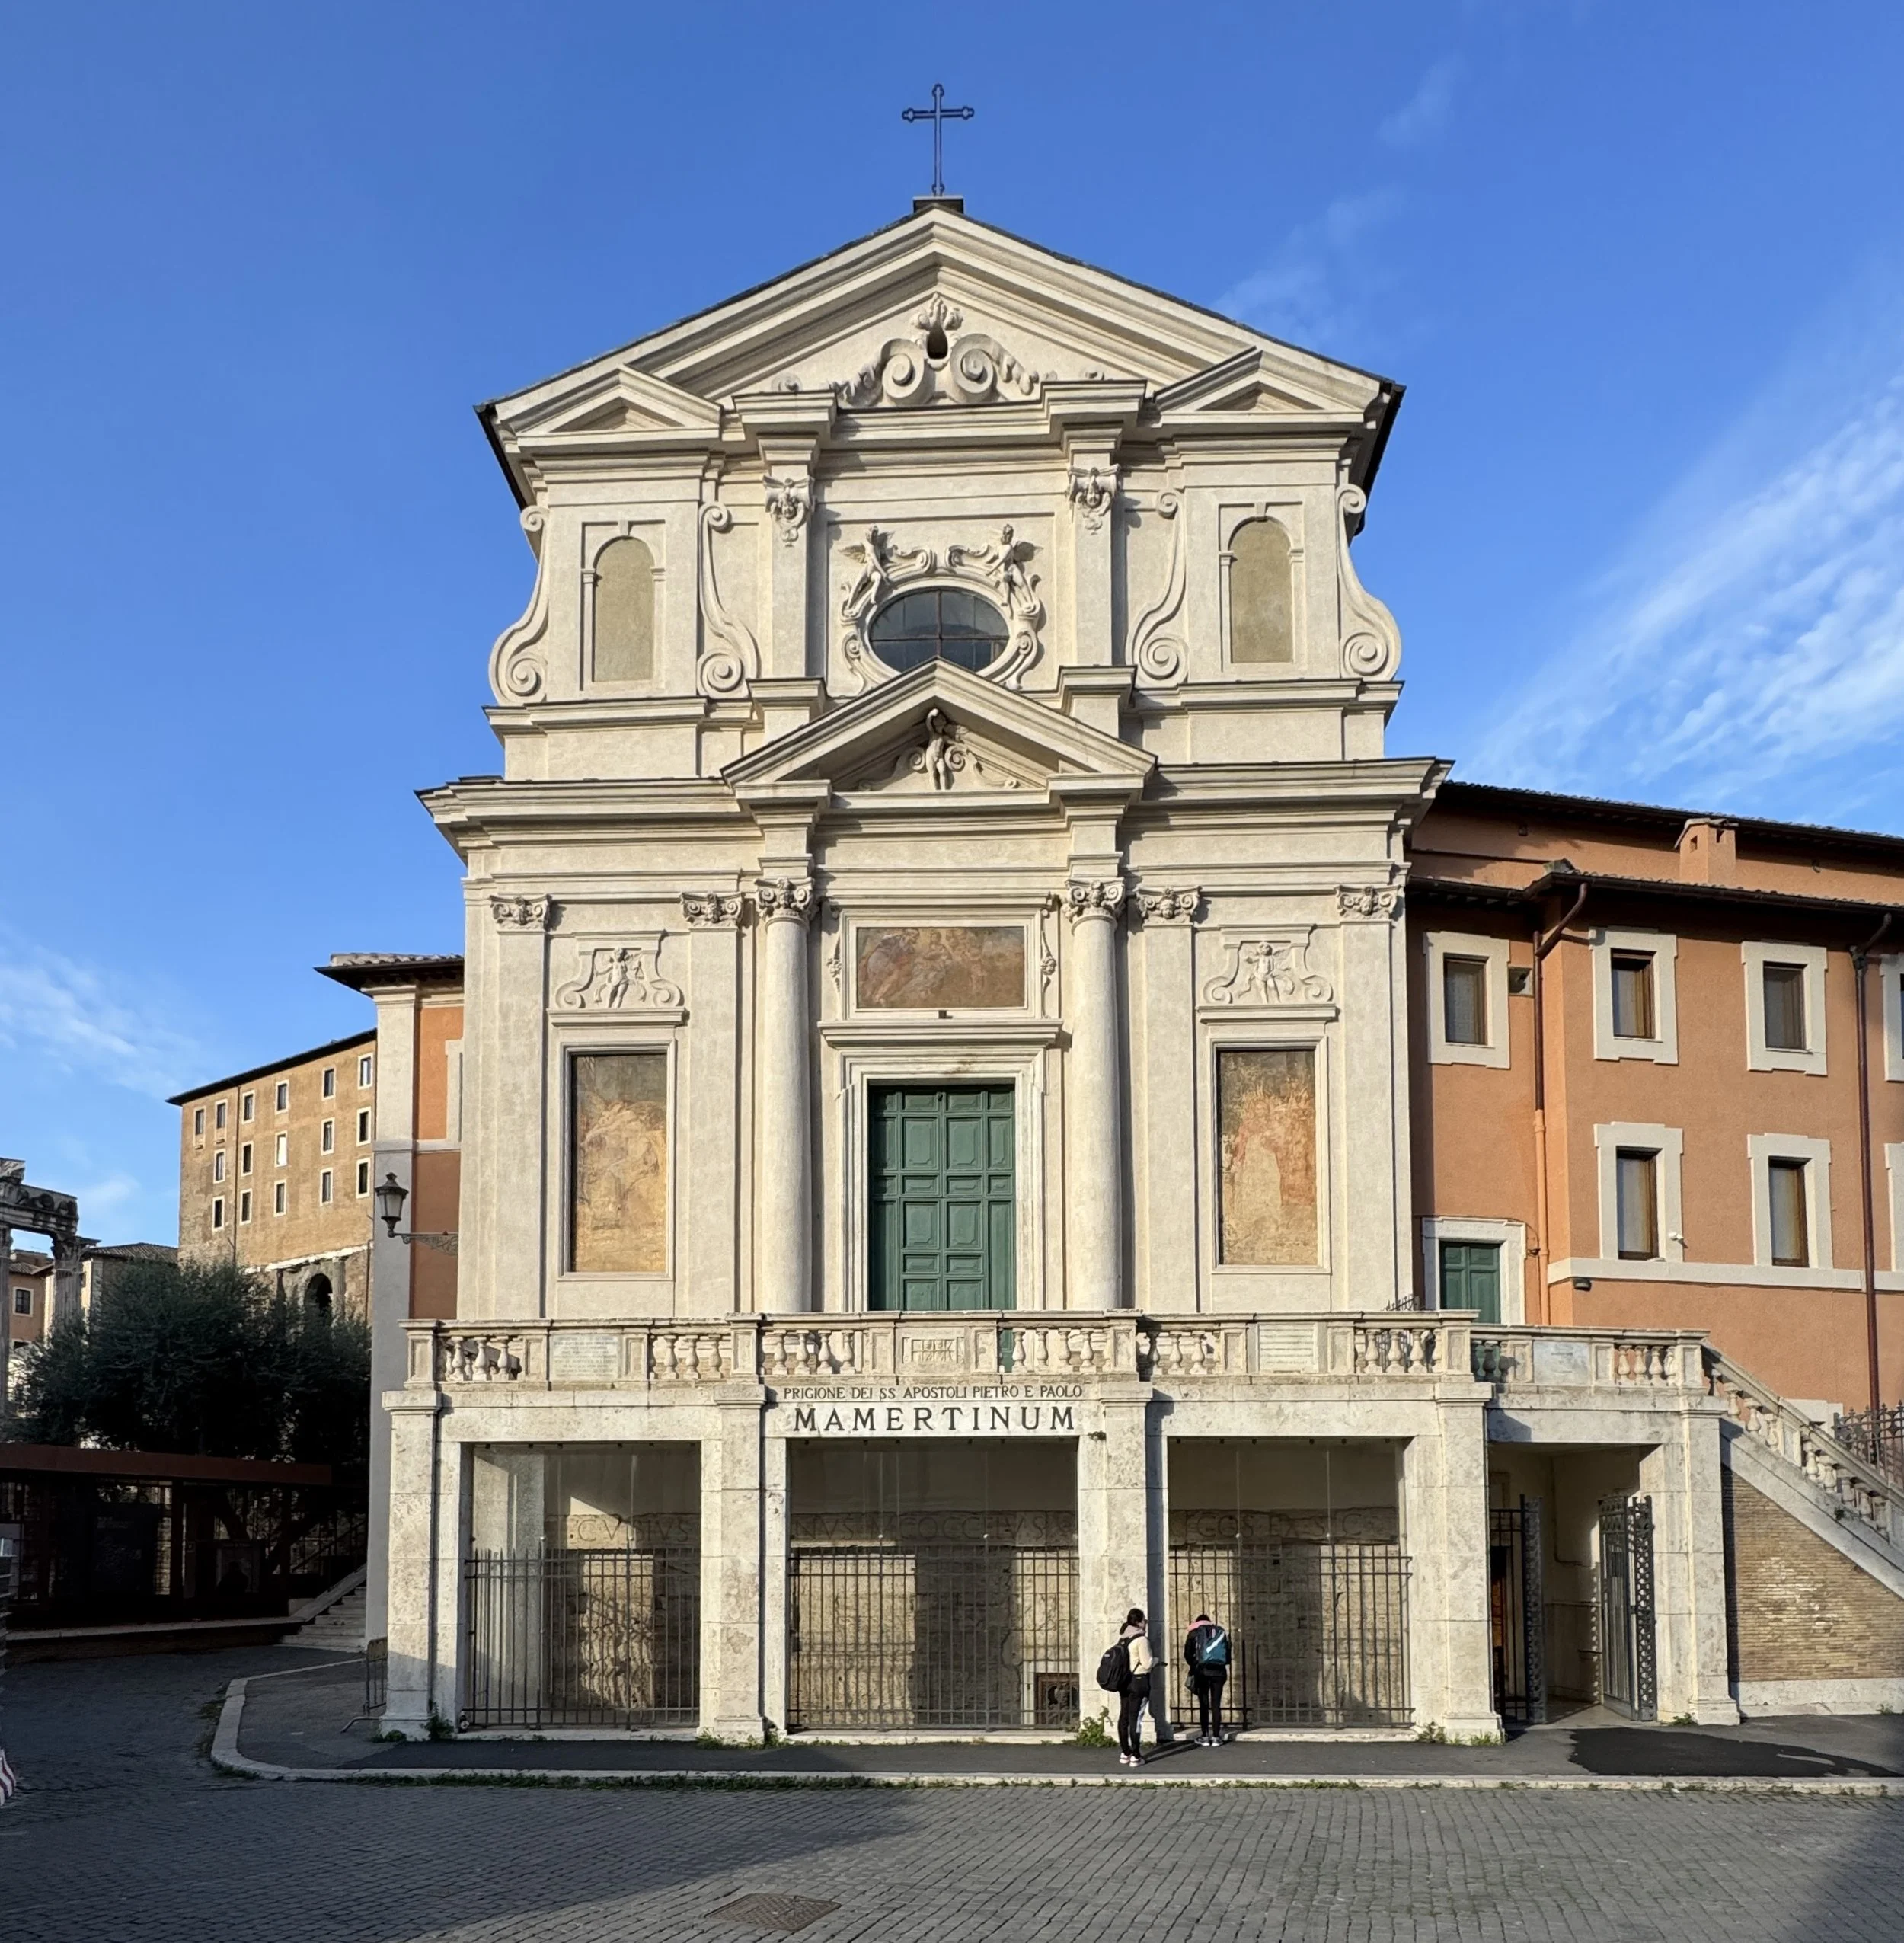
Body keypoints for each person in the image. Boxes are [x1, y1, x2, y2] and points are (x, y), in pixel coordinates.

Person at [1184, 1610, 1230, 1747]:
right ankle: (1216, 1737)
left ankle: (1205, 1736)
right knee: (1216, 1704)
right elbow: (1226, 1655)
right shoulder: (1219, 1632)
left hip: (1202, 1672)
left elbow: (1187, 1655)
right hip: (1219, 1673)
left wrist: (1195, 1665)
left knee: (1204, 1704)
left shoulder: (1194, 1633)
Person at [1117, 1607, 1154, 1766]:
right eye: (1144, 1619)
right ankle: (1136, 1755)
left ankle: (1125, 1752)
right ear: (1139, 1622)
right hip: (1139, 1680)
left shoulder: (1123, 1638)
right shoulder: (1141, 1639)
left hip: (1125, 1682)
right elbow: (1147, 1663)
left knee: (1123, 1717)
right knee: (1136, 1718)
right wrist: (1157, 1661)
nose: (1146, 1622)